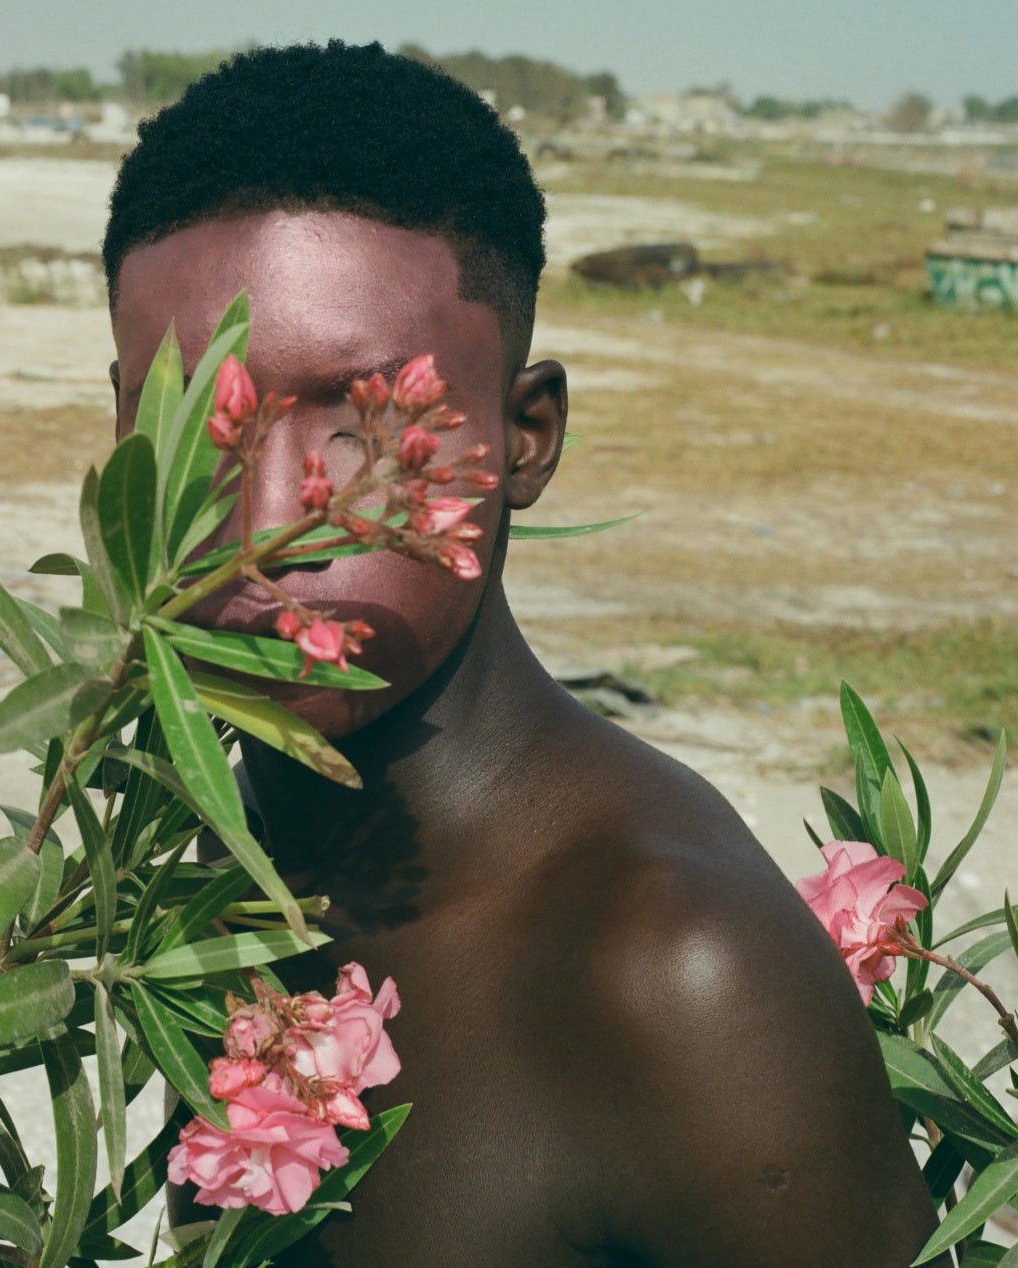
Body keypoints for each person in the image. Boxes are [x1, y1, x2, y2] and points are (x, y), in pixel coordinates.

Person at [103, 42, 944, 1267]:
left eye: (360, 421)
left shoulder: (670, 971)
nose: (264, 527)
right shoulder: (198, 870)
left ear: (527, 436)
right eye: (202, 423)